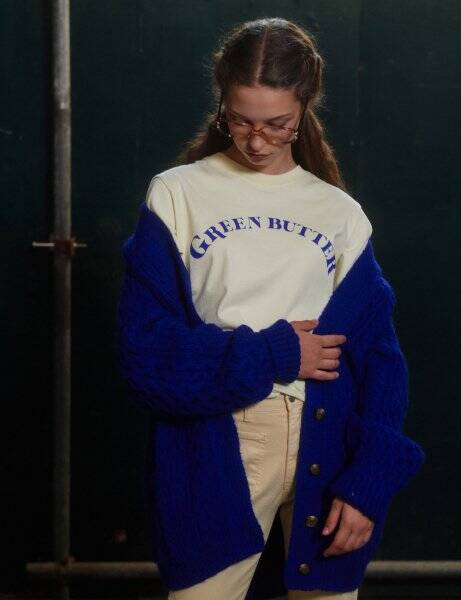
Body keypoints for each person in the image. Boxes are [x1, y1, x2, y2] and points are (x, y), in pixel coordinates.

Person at [116, 16, 426, 600]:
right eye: (240, 121)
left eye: (277, 125)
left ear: (304, 108)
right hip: (216, 440)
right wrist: (275, 353)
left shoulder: (339, 213)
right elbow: (145, 353)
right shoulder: (177, 194)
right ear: (221, 104)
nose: (256, 141)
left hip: (326, 439)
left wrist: (368, 482)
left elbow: (381, 364)